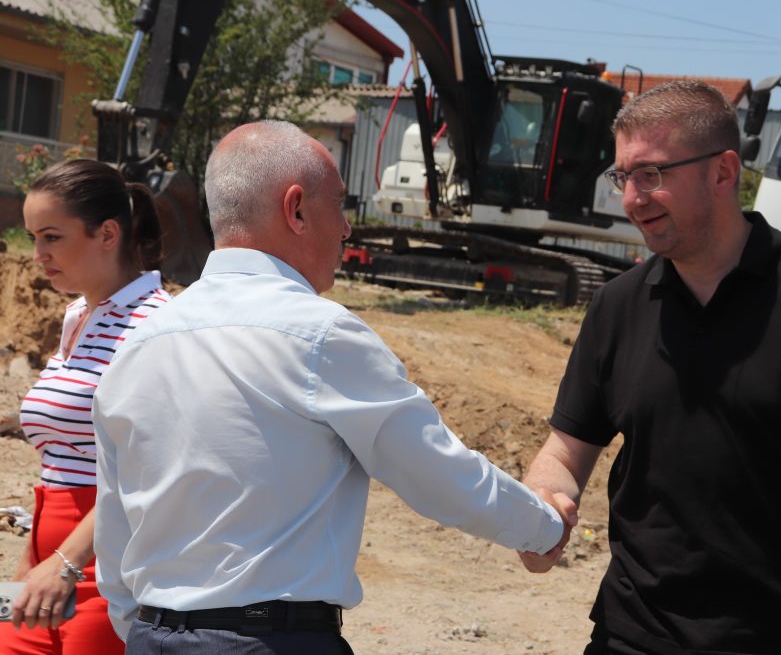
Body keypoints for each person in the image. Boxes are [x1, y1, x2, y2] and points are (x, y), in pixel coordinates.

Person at [91, 120, 576, 654]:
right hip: (268, 642)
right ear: (296, 209)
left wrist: (146, 628)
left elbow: (115, 527)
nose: (346, 229)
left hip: (153, 638)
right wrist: (544, 529)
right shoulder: (321, 336)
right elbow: (435, 472)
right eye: (340, 205)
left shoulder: (137, 347)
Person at [519, 81, 781, 655]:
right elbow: (565, 452)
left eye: (651, 174)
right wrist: (542, 502)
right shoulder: (616, 306)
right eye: (623, 177)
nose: (632, 198)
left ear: (723, 172)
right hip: (633, 637)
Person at [0, 159, 169, 655]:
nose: (38, 255)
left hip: (108, 569)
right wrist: (29, 565)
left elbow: (145, 468)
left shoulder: (157, 325)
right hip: (46, 560)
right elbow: (59, 460)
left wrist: (66, 563)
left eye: (52, 237)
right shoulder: (76, 315)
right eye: (33, 238)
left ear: (108, 234)